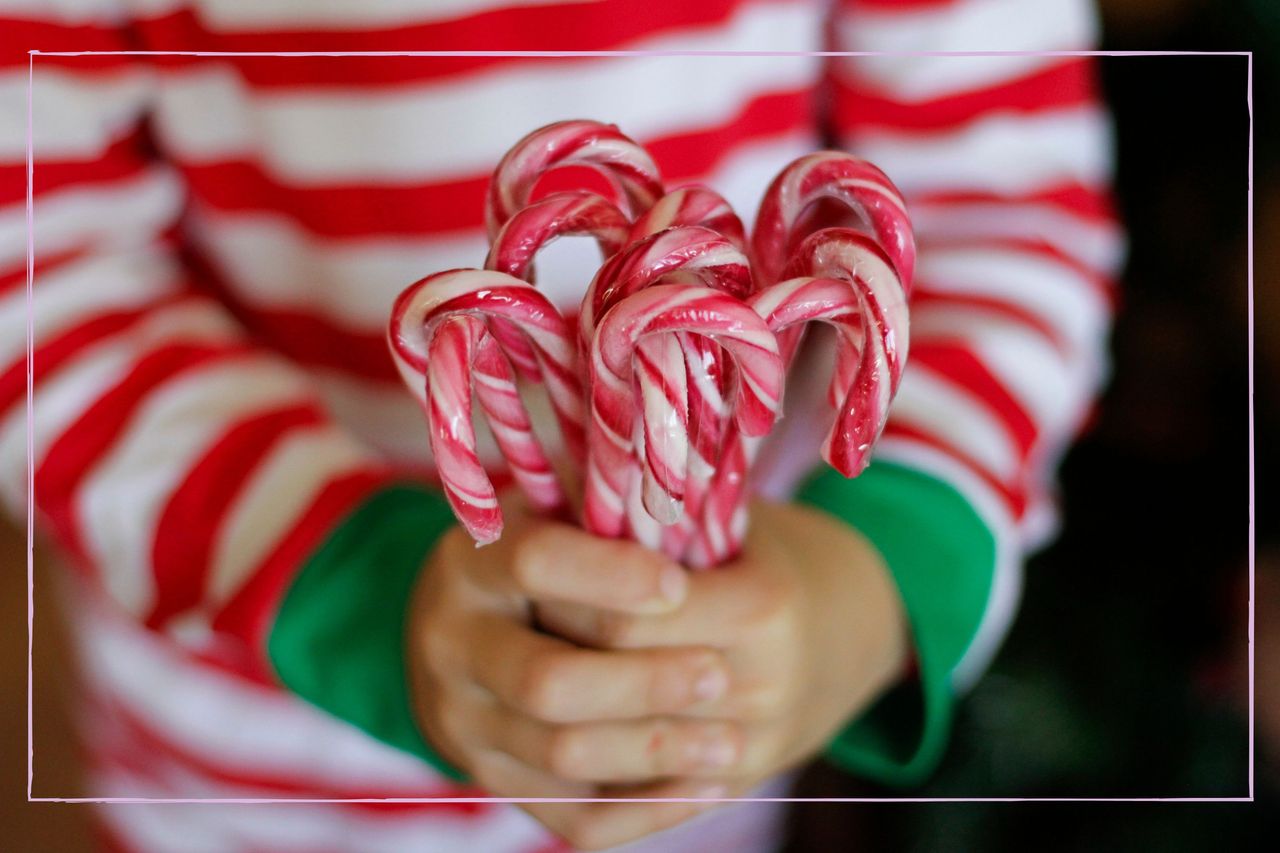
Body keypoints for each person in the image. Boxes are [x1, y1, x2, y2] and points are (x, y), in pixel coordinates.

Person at [0, 0, 1122, 850]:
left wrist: (874, 565)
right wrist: (352, 584)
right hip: (250, 772)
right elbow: (38, 268)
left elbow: (1002, 218)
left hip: (698, 737)